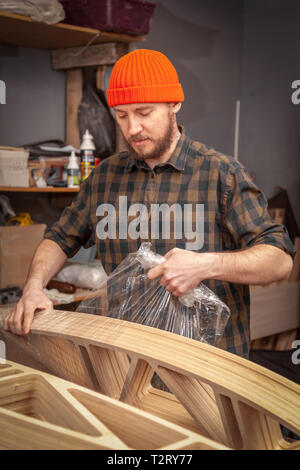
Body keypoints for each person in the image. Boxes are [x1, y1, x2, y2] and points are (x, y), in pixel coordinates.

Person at [4, 49, 295, 359]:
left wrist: (206, 265)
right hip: (126, 366)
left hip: (208, 372)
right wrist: (33, 287)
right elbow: (60, 238)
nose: (132, 129)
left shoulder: (221, 174)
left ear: (174, 104)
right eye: (122, 115)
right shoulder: (104, 177)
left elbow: (280, 261)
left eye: (143, 112)